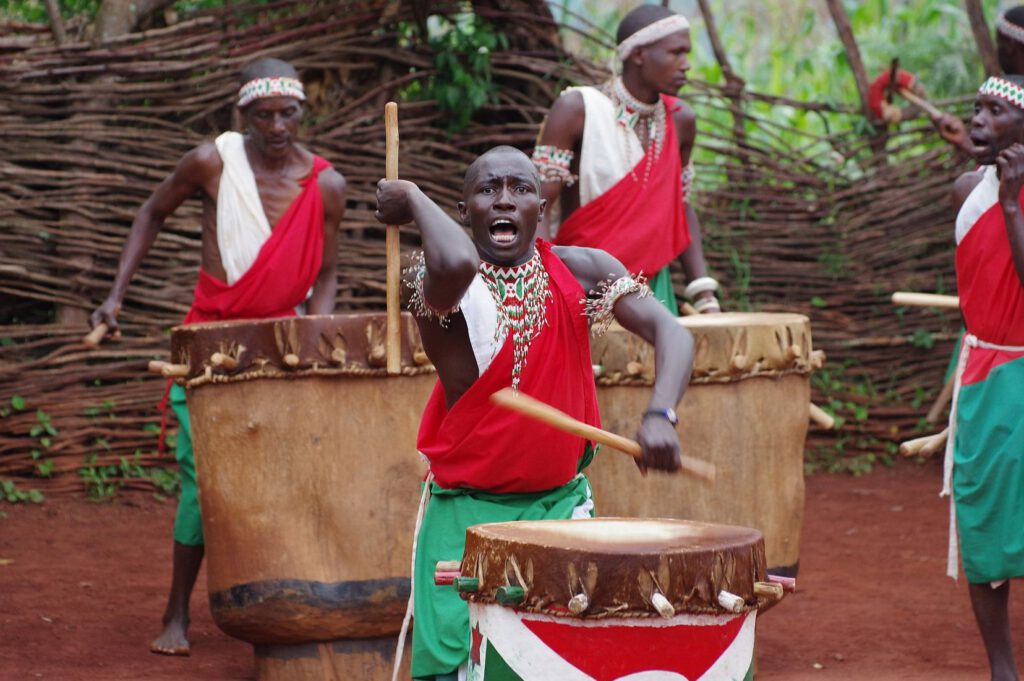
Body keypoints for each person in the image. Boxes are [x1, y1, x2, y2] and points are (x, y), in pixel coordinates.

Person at [374, 145, 693, 680]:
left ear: (540, 209)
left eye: (521, 189)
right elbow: (455, 260)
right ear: (463, 210)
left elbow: (672, 333)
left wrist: (662, 413)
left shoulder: (584, 270)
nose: (504, 200)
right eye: (488, 190)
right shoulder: (428, 280)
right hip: (465, 520)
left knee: (558, 664)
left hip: (560, 511)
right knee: (461, 668)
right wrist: (411, 197)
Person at [88, 58, 347, 656]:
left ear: (303, 113)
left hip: (280, 352)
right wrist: (114, 296)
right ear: (243, 115)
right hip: (209, 344)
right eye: (264, 115)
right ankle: (176, 611)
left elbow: (328, 271)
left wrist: (315, 330)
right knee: (204, 483)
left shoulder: (327, 185)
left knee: (281, 482)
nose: (277, 126)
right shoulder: (212, 162)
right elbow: (152, 213)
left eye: (288, 114)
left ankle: (275, 610)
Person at [533, 4, 720, 315]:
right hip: (580, 285)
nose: (686, 65)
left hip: (651, 287)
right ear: (639, 55)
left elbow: (681, 205)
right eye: (676, 53)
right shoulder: (578, 108)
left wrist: (703, 291)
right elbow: (538, 204)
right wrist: (547, 284)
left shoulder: (681, 119)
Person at [943, 74, 1024, 681]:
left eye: (995, 111)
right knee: (984, 521)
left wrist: (1015, 200)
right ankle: (1002, 671)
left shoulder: (1007, 191)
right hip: (987, 374)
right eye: (977, 108)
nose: (978, 118)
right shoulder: (968, 187)